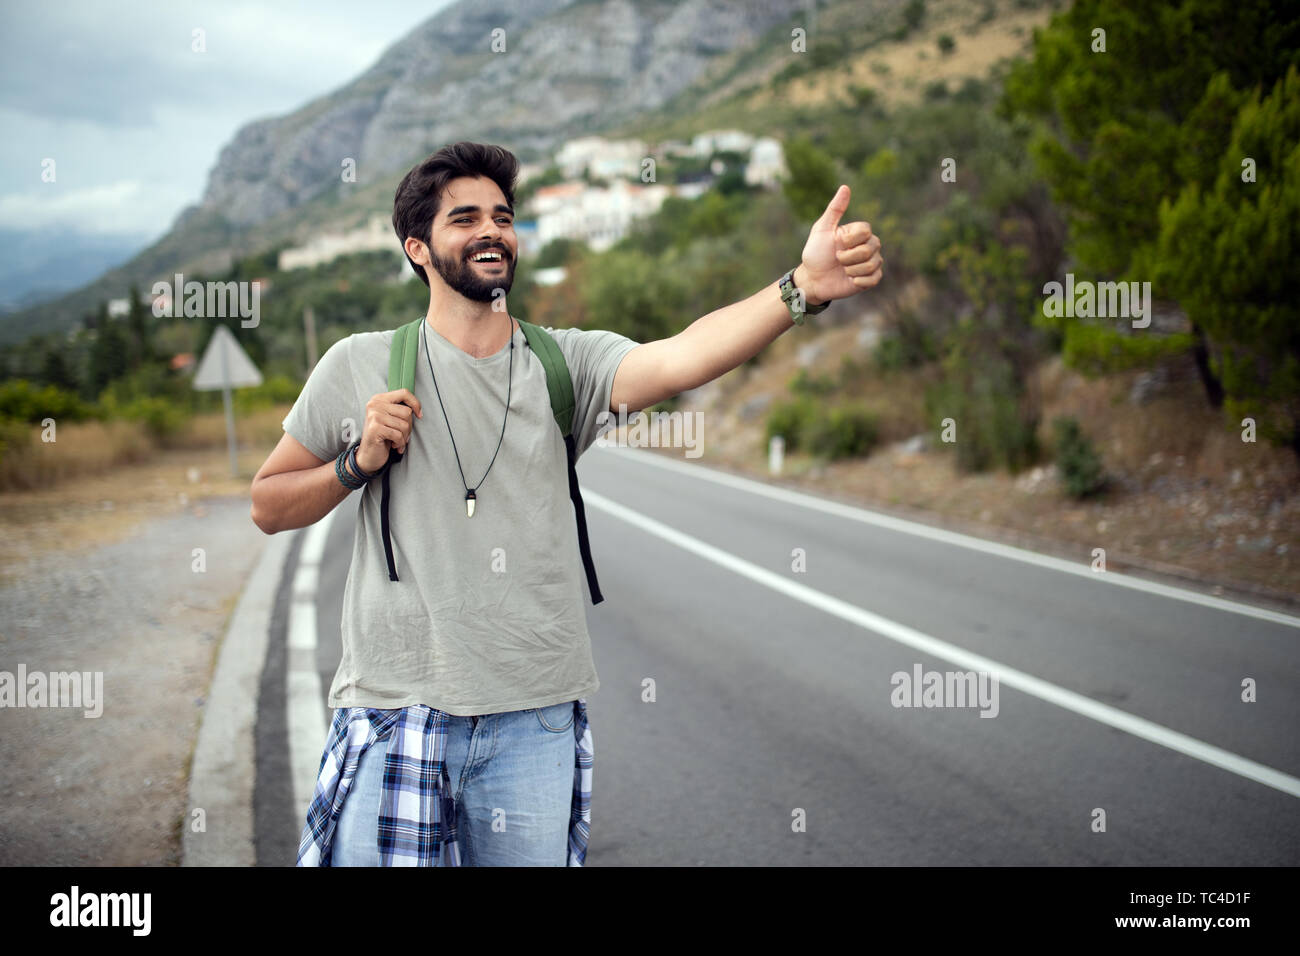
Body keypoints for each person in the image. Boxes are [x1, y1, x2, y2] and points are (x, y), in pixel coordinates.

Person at [249, 140, 884, 866]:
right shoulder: (358, 363)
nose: (491, 230)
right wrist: (355, 462)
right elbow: (269, 505)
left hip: (534, 722)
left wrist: (800, 288)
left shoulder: (565, 363)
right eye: (466, 219)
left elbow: (683, 355)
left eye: (503, 216)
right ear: (418, 248)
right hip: (396, 712)